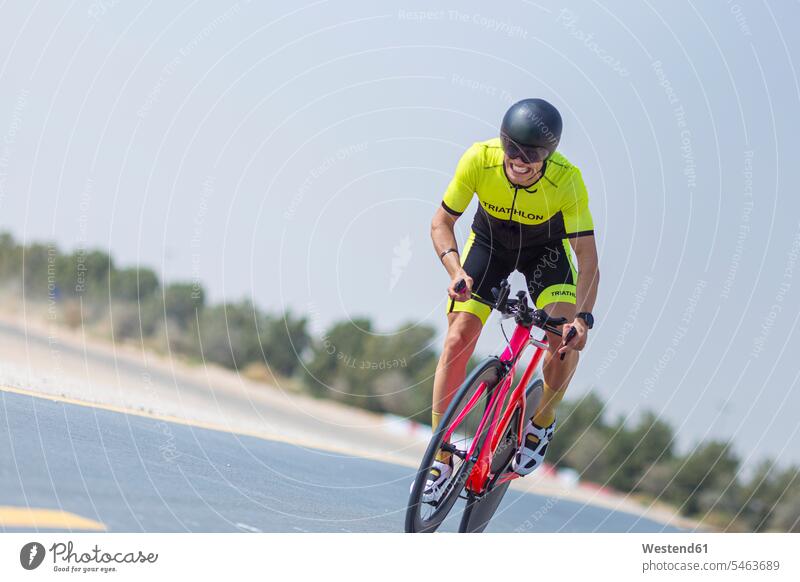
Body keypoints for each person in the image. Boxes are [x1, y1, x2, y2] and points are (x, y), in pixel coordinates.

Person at [422, 98, 600, 502]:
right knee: (457, 338)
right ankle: (440, 454)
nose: (519, 161)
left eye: (531, 155)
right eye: (512, 149)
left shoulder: (567, 181)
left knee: (561, 340)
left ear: (548, 156)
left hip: (547, 254)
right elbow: (441, 222)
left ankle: (541, 421)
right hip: (490, 245)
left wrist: (583, 319)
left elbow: (587, 259)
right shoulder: (479, 159)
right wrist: (456, 272)